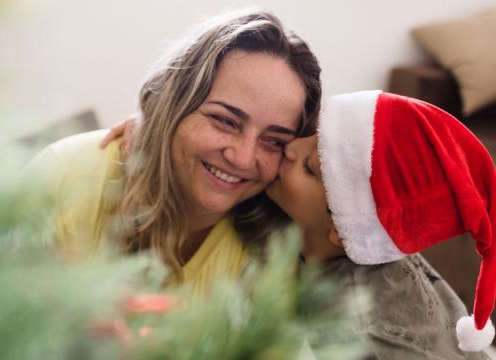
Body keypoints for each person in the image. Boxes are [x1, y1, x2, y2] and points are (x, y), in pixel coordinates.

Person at [25, 9, 321, 294]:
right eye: (225, 121)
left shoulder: (273, 249)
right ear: (175, 103)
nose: (242, 158)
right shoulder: (64, 175)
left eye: (273, 141)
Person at [266, 90, 495, 358]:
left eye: (309, 167)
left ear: (341, 230)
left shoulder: (355, 328)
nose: (290, 148)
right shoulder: (371, 246)